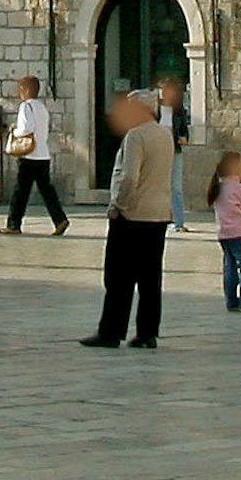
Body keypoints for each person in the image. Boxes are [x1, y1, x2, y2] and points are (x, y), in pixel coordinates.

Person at [82, 92, 174, 351]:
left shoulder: (136, 136)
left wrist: (117, 206)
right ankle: (147, 333)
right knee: (150, 279)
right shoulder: (164, 134)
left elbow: (130, 177)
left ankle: (111, 332)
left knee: (118, 278)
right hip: (158, 215)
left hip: (133, 215)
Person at [1, 76, 68, 237]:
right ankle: (59, 219)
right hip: (43, 154)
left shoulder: (26, 107)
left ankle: (13, 224)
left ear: (25, 90)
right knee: (47, 190)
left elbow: (26, 129)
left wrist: (14, 131)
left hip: (29, 155)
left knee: (21, 191)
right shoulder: (42, 108)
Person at [209, 150, 241, 309]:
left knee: (229, 268)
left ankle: (231, 301)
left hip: (224, 234)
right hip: (240, 234)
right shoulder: (237, 188)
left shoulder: (218, 188)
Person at [154, 74, 195, 232]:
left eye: (166, 90)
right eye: (161, 90)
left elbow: (185, 134)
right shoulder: (154, 110)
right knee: (157, 186)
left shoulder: (179, 112)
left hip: (174, 151)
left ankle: (178, 222)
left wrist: (183, 139)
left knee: (175, 187)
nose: (163, 93)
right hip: (157, 152)